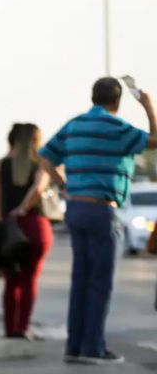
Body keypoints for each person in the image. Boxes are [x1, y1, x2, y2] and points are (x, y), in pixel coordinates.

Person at [39, 78, 157, 364]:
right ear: (117, 101)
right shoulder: (118, 128)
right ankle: (93, 348)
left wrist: (64, 185)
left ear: (93, 97)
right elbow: (154, 142)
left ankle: (74, 346)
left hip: (76, 209)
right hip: (103, 211)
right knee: (100, 282)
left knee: (80, 279)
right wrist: (148, 106)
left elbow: (45, 158)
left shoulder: (74, 125)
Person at [0, 123, 52, 340]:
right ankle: (23, 327)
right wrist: (24, 207)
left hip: (9, 227)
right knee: (29, 279)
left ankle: (10, 329)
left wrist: (3, 222)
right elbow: (39, 189)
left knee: (11, 280)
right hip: (35, 226)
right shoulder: (41, 164)